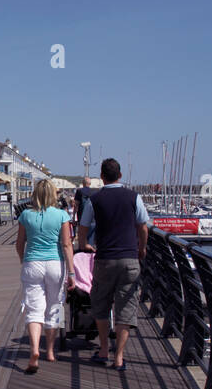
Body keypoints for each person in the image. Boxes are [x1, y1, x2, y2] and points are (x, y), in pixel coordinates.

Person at [77, 157, 150, 369]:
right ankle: (119, 356)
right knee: (125, 308)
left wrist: (84, 245)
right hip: (129, 259)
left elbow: (83, 226)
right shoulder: (133, 197)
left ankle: (103, 350)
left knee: (101, 305)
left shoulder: (95, 199)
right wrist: (142, 248)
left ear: (101, 176)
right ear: (120, 175)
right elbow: (143, 226)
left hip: (105, 259)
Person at [15, 180, 75, 373]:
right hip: (55, 264)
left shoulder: (26, 215)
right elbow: (66, 244)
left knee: (34, 309)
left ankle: (34, 350)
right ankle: (49, 350)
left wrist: (24, 260)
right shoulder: (61, 215)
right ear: (53, 194)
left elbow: (19, 243)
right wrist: (72, 272)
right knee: (55, 305)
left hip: (33, 263)